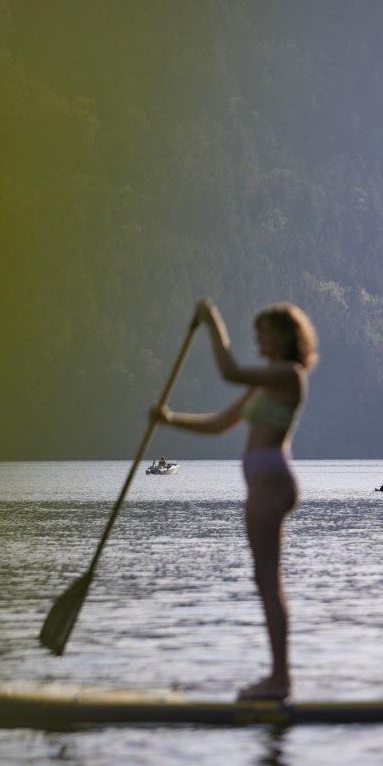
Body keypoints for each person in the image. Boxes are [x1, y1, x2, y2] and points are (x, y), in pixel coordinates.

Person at [151, 298, 318, 702]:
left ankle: (280, 680)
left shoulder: (290, 375)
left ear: (284, 336)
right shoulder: (264, 383)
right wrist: (171, 420)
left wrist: (213, 322)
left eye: (264, 330)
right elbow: (219, 424)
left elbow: (227, 371)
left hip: (272, 483)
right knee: (262, 578)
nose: (257, 337)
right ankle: (277, 677)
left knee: (268, 579)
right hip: (260, 484)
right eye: (256, 330)